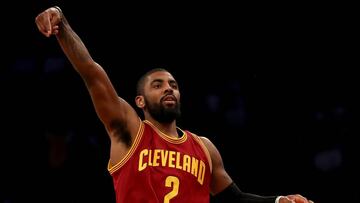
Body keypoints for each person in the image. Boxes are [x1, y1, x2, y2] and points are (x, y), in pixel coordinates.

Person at [35, 6, 314, 203]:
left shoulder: (204, 148)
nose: (168, 88)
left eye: (173, 85)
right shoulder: (130, 131)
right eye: (157, 85)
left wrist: (279, 200)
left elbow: (235, 198)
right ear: (140, 101)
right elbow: (91, 71)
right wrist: (63, 26)